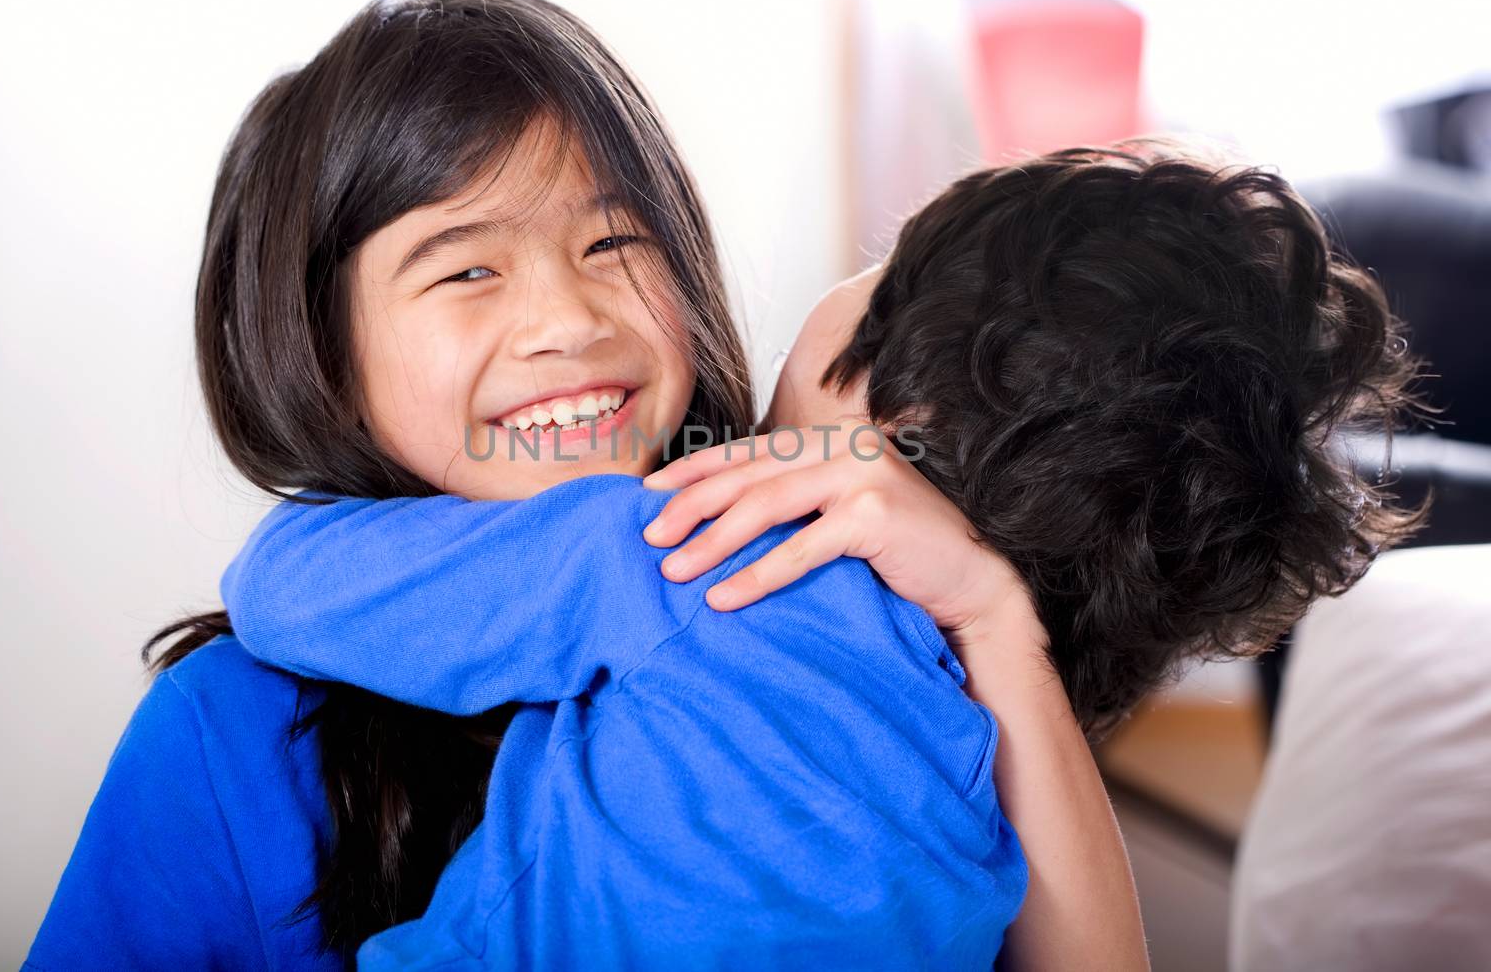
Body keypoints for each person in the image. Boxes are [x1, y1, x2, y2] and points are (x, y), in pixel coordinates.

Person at [25, 0, 1136, 970]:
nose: (567, 321)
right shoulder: (238, 728)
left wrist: (992, 613)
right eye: (466, 267)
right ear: (323, 355)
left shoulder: (857, 605)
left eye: (614, 244)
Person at [219, 141, 1422, 966]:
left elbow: (275, 589)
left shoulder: (688, 552)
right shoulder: (979, 729)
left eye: (885, 264)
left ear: (883, 418)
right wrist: (999, 621)